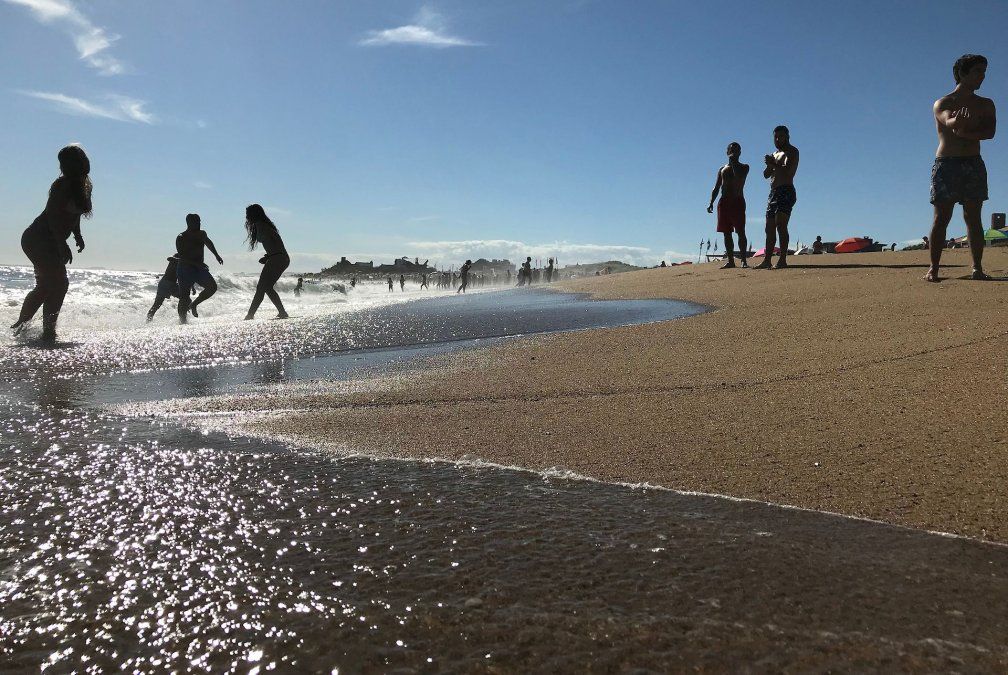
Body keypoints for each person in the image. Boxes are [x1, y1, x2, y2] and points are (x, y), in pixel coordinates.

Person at [11, 145, 93, 342]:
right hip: (38, 238)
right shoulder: (61, 185)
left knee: (52, 284)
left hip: (52, 239)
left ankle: (41, 330)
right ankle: (27, 328)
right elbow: (53, 216)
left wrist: (77, 235)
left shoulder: (84, 185)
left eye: (66, 161)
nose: (63, 166)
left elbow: (74, 214)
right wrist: (61, 244)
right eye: (62, 162)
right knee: (56, 283)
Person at [926, 54, 996, 282]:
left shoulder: (985, 104)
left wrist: (965, 131)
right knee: (941, 218)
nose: (982, 76)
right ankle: (933, 269)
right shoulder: (944, 102)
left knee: (973, 217)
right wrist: (957, 122)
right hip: (947, 164)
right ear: (962, 74)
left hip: (973, 163)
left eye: (984, 71)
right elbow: (947, 119)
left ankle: (977, 267)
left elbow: (989, 132)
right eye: (977, 71)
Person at [755, 126, 799, 269]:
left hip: (786, 190)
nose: (778, 139)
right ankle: (767, 260)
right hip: (773, 193)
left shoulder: (792, 151)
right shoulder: (775, 154)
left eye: (781, 136)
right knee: (769, 228)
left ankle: (782, 260)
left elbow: (789, 173)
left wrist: (773, 163)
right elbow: (766, 175)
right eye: (776, 137)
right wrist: (769, 164)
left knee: (781, 225)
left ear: (787, 137)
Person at [707, 141, 750, 268]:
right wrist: (711, 202)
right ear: (727, 152)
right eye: (731, 150)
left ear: (740, 152)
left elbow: (738, 177)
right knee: (726, 232)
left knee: (741, 231)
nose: (734, 152)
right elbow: (716, 187)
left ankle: (743, 260)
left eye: (736, 150)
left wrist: (733, 162)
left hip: (737, 200)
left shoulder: (744, 167)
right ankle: (731, 260)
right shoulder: (722, 169)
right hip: (724, 202)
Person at [243, 204, 289, 320]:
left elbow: (273, 242)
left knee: (261, 287)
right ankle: (282, 312)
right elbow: (274, 243)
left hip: (278, 258)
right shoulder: (264, 225)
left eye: (248, 214)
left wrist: (270, 256)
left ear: (254, 214)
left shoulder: (261, 226)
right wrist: (268, 256)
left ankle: (250, 315)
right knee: (267, 287)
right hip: (280, 257)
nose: (247, 217)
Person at [175, 213, 223, 323]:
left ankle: (194, 304)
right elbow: (182, 257)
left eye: (200, 221)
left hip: (198, 269)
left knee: (212, 287)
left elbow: (208, 242)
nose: (199, 224)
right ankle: (182, 322)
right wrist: (197, 264)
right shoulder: (181, 237)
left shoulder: (202, 234)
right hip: (185, 269)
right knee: (184, 297)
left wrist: (216, 255)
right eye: (197, 222)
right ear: (189, 223)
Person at [147, 256, 181, 322]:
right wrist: (180, 260)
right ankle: (148, 322)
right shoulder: (178, 256)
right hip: (165, 283)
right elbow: (169, 258)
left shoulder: (187, 259)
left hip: (173, 284)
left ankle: (183, 319)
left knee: (185, 299)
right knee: (157, 305)